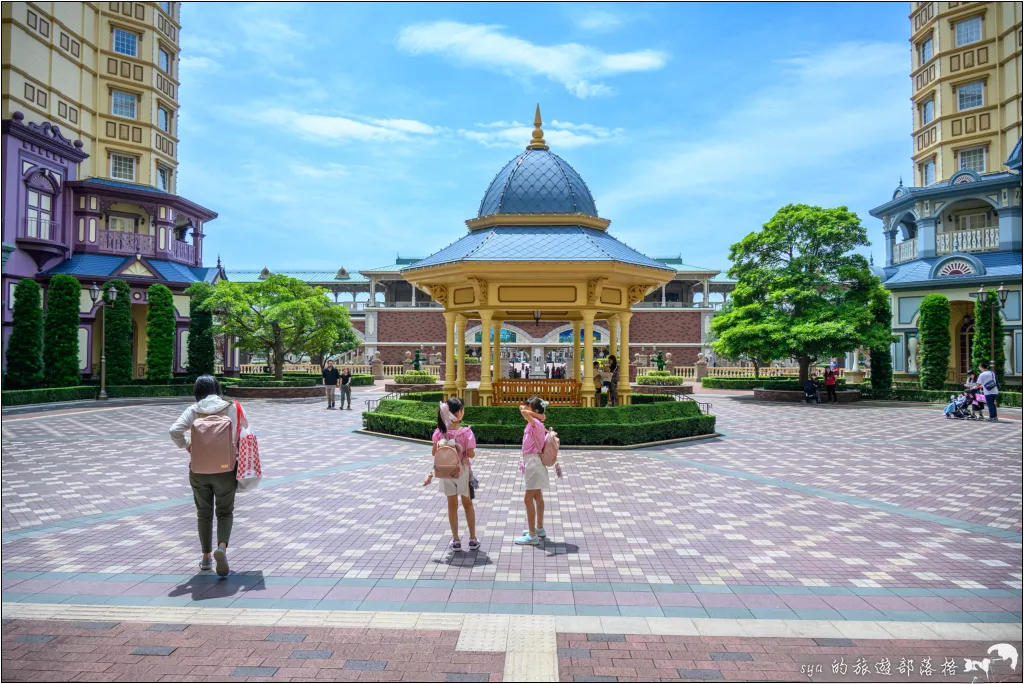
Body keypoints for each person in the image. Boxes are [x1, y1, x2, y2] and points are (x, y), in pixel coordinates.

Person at [169, 375, 242, 577]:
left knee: (204, 513)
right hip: (226, 469)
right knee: (225, 511)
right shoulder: (231, 407)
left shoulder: (194, 409)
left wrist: (187, 445)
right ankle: (222, 548)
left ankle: (206, 557)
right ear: (217, 389)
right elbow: (241, 435)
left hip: (199, 470)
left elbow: (174, 430)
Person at [425, 397, 479, 551]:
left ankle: (455, 540)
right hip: (462, 471)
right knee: (467, 504)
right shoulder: (466, 432)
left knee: (452, 505)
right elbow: (471, 454)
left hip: (445, 472)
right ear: (459, 413)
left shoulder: (439, 432)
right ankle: (473, 539)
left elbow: (434, 452)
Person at [516, 397, 550, 545]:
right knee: (537, 496)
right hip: (535, 462)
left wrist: (536, 415)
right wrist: (538, 414)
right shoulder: (537, 422)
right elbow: (521, 408)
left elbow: (523, 411)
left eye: (530, 407)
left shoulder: (535, 423)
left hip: (533, 462)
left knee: (528, 498)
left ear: (535, 411)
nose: (526, 409)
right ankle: (539, 528)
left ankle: (532, 535)